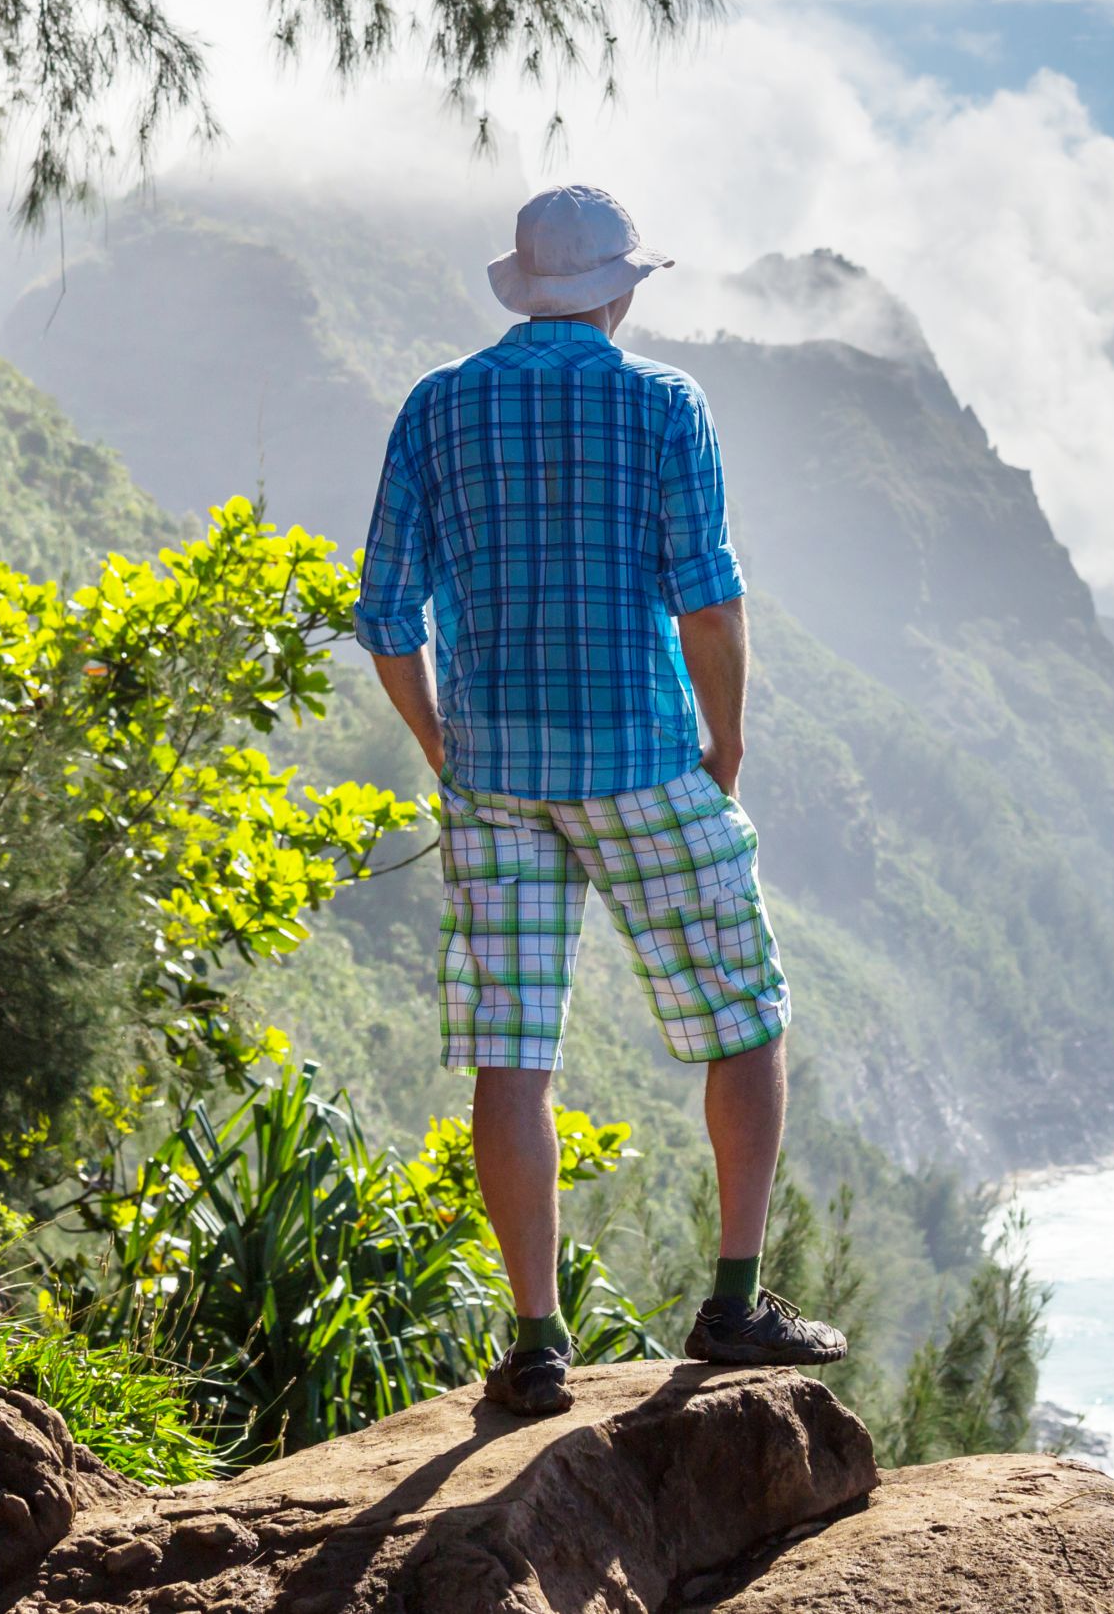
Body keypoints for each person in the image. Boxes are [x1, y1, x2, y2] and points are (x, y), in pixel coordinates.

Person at [354, 184, 850, 1418]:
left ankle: (534, 1343)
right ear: (620, 291)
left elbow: (382, 613)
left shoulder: (436, 406)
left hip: (494, 773)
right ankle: (733, 1303)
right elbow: (709, 600)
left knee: (510, 1051)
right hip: (640, 756)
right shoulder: (665, 403)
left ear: (524, 289)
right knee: (743, 1013)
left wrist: (439, 745)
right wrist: (724, 740)